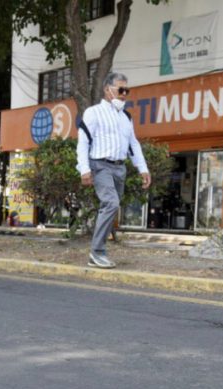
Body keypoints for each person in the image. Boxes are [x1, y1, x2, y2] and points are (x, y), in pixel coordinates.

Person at [76, 72, 151, 269]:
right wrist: (84, 169)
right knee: (110, 203)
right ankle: (97, 252)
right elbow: (83, 141)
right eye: (120, 89)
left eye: (127, 90)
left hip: (120, 169)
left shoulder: (126, 117)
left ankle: (99, 250)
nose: (124, 94)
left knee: (112, 207)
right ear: (107, 90)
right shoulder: (93, 112)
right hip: (100, 166)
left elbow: (133, 144)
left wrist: (142, 168)